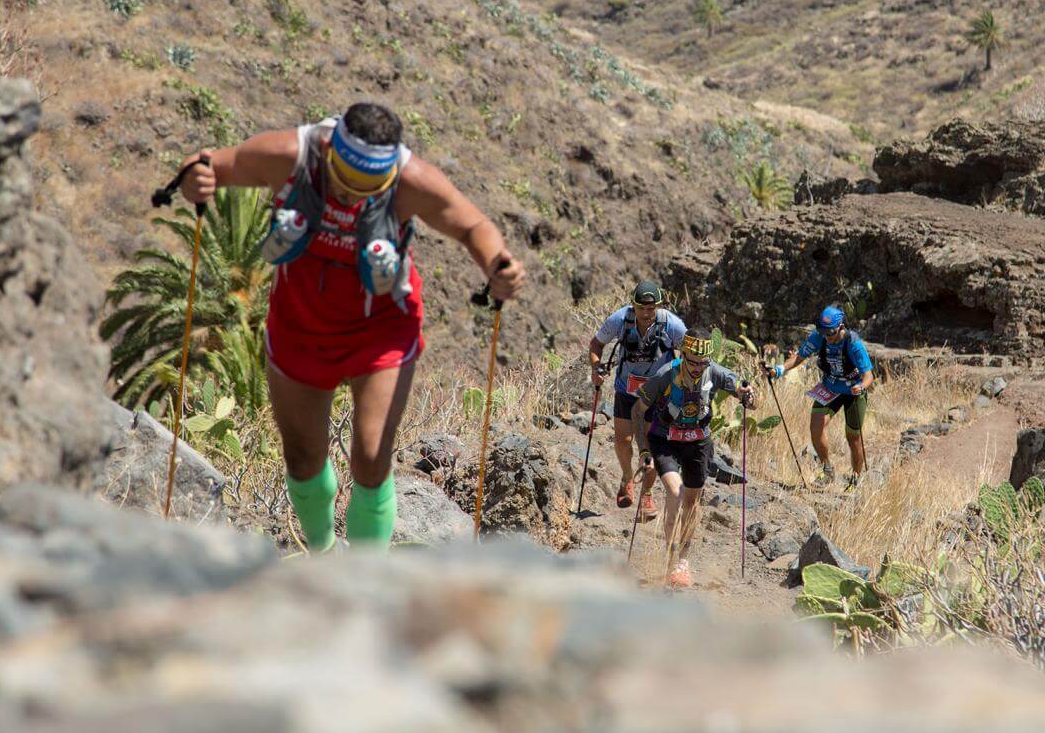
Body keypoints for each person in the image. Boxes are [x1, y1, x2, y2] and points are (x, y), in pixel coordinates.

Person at [177, 102, 525, 551]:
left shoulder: (412, 181)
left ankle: (365, 573)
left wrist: (498, 266)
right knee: (302, 458)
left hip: (381, 328)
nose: (352, 196)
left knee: (372, 454)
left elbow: (471, 224)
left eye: (368, 188)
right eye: (344, 182)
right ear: (330, 152)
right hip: (299, 326)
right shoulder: (290, 155)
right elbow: (212, 165)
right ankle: (320, 555)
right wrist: (194, 178)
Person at [632, 329, 755, 589]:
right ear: (683, 354)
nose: (698, 367)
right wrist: (643, 450)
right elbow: (637, 410)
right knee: (676, 494)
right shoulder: (665, 375)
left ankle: (683, 561)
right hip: (665, 440)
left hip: (698, 441)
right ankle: (672, 558)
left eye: (703, 362)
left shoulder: (713, 371)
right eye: (693, 361)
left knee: (691, 502)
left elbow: (739, 388)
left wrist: (747, 395)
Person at [588, 281, 686, 520]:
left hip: (657, 394)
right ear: (633, 305)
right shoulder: (619, 320)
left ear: (659, 306)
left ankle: (647, 494)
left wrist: (678, 378)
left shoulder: (672, 325)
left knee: (650, 447)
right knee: (624, 440)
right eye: (641, 307)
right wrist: (596, 368)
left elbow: (689, 353)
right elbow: (596, 343)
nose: (646, 313)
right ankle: (626, 477)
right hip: (626, 390)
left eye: (651, 308)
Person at [766, 305, 873, 487]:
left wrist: (861, 387)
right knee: (816, 426)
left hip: (853, 392)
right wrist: (780, 369)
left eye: (830, 333)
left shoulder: (853, 342)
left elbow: (868, 375)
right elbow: (800, 356)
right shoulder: (820, 336)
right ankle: (827, 470)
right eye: (823, 332)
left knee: (853, 437)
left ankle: (855, 478)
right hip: (830, 387)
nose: (827, 337)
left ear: (841, 327)